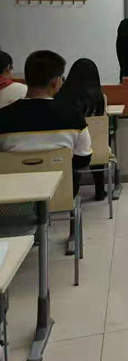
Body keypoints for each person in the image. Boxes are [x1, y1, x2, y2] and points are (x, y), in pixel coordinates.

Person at [0, 51, 92, 253]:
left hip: (12, 202)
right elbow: (84, 159)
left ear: (26, 79)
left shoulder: (3, 118)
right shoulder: (73, 117)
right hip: (60, 194)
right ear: (57, 82)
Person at [55, 58, 108, 200]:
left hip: (68, 149)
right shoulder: (99, 97)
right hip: (94, 148)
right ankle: (100, 188)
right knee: (98, 140)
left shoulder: (61, 96)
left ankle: (73, 185)